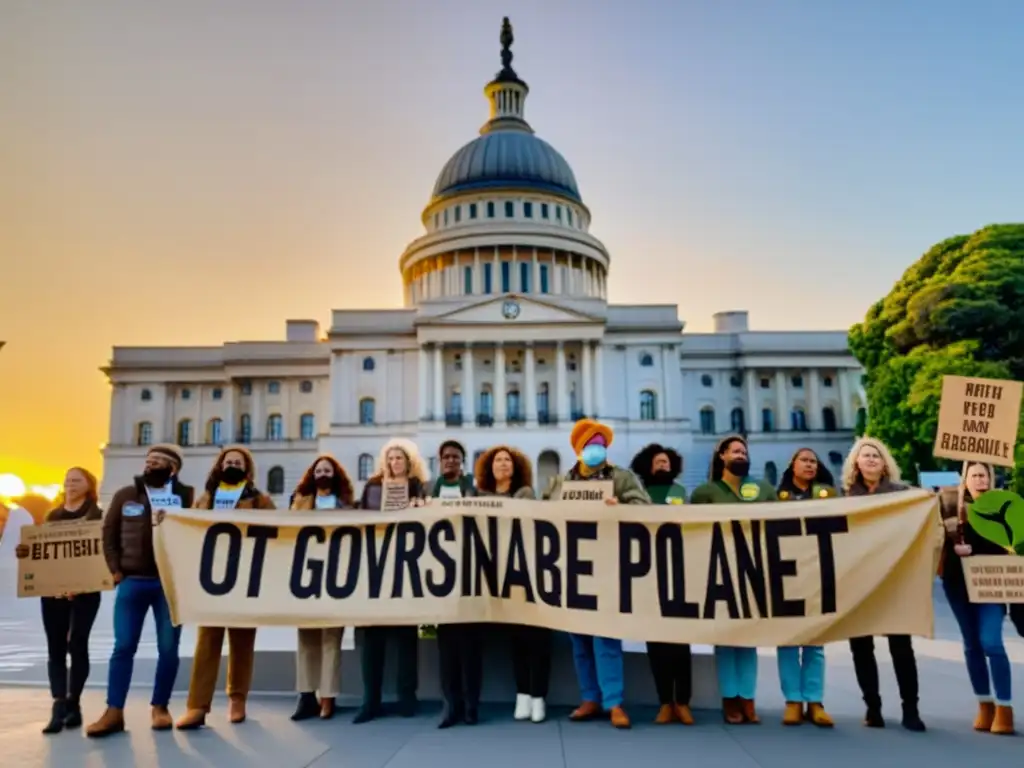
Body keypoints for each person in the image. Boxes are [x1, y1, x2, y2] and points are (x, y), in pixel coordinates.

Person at [546, 419, 651, 730]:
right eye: (590, 444)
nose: (596, 449)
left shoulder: (622, 477)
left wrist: (621, 505)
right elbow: (544, 514)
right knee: (579, 641)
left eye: (600, 444)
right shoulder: (563, 482)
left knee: (606, 639)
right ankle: (590, 698)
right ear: (578, 449)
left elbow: (645, 507)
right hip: (573, 569)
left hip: (608, 566)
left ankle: (614, 702)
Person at [87, 445, 195, 738]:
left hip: (168, 585)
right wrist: (115, 570)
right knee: (123, 647)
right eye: (148, 461)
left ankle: (160, 707)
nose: (150, 465)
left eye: (158, 461)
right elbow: (108, 534)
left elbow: (196, 538)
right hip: (132, 581)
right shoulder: (125, 495)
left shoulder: (187, 498)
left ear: (172, 468)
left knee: (169, 649)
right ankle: (114, 711)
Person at [176, 446, 275, 730]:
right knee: (207, 641)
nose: (232, 465)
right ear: (219, 466)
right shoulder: (205, 499)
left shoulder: (260, 501)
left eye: (238, 462)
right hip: (211, 579)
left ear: (247, 470)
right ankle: (197, 705)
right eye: (228, 461)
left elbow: (276, 534)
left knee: (242, 642)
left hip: (244, 578)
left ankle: (237, 698)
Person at [690, 434, 775, 725]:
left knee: (749, 639)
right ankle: (729, 698)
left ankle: (748, 698)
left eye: (744, 452)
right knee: (726, 639)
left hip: (755, 569)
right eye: (735, 451)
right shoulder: (705, 492)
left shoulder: (763, 489)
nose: (741, 455)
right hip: (720, 571)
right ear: (721, 456)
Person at [842, 436, 924, 731]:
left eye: (876, 455)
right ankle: (872, 707)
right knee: (861, 647)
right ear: (856, 463)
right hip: (859, 582)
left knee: (901, 647)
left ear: (884, 461)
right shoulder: (846, 498)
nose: (871, 459)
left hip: (894, 580)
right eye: (865, 455)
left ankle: (910, 709)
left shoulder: (902, 494)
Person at [15, 468, 104, 734]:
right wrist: (25, 551)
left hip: (85, 592)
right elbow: (43, 549)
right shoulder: (53, 515)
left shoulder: (97, 516)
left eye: (76, 480)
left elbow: (101, 550)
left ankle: (74, 701)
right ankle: (58, 703)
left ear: (89, 485)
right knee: (55, 645)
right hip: (53, 592)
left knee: (77, 643)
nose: (70, 484)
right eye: (67, 480)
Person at [353, 438, 428, 724]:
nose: (395, 462)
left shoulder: (418, 488)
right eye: (391, 458)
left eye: (400, 458)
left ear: (409, 463)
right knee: (373, 639)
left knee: (406, 638)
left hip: (407, 567)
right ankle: (370, 700)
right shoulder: (372, 488)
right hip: (376, 567)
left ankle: (407, 697)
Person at [939, 462, 1014, 735]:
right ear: (965, 479)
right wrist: (952, 544)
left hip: (992, 584)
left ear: (991, 479)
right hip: (957, 584)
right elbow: (934, 535)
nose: (980, 480)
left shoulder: (1004, 505)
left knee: (991, 642)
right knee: (972, 644)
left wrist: (975, 548)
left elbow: (1013, 542)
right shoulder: (947, 502)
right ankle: (985, 704)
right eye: (975, 475)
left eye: (984, 475)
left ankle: (1005, 707)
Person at [475, 445, 549, 723]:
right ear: (489, 467)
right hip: (497, 577)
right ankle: (523, 694)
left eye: (508, 460)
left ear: (516, 467)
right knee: (516, 639)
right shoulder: (479, 496)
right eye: (498, 460)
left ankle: (538, 695)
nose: (503, 464)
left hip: (528, 573)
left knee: (537, 638)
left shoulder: (526, 493)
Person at [628, 443, 694, 726]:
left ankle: (683, 701)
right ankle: (665, 701)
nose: (663, 464)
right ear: (647, 465)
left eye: (667, 461)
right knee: (655, 644)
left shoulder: (680, 492)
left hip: (678, 573)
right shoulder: (638, 493)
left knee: (681, 642)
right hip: (647, 573)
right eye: (658, 461)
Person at [288, 454, 356, 722]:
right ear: (312, 475)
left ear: (335, 475)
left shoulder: (348, 505)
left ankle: (328, 697)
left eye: (327, 470)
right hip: (306, 575)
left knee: (331, 639)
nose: (322, 474)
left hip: (337, 575)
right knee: (306, 639)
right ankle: (306, 696)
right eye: (318, 470)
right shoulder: (299, 502)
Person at [774, 448, 836, 727]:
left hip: (818, 572)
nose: (811, 465)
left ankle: (815, 700)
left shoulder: (827, 494)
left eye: (814, 460)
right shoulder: (778, 497)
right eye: (805, 460)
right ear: (792, 466)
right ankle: (792, 700)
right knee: (787, 641)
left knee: (815, 642)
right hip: (786, 574)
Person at [429, 439, 485, 728]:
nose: (450, 461)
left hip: (470, 576)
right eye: (446, 457)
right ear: (440, 461)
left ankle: (471, 705)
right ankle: (451, 705)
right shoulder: (429, 490)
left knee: (470, 648)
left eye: (456, 457)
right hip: (439, 579)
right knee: (446, 649)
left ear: (462, 462)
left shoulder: (473, 488)